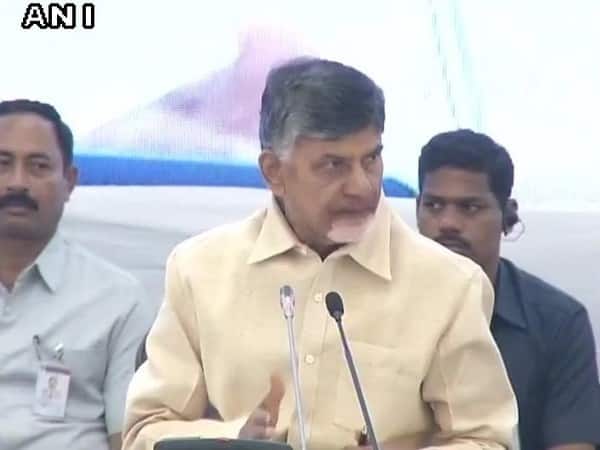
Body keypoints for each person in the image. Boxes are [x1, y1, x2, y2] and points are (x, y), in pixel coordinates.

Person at [123, 58, 517, 450]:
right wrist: (234, 440)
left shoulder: (449, 284)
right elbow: (145, 431)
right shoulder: (200, 269)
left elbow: (487, 440)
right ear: (274, 171)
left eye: (371, 159)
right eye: (333, 165)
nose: (361, 186)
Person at [416, 129, 600, 450]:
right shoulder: (375, 304)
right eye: (434, 205)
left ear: (507, 215)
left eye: (469, 207)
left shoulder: (558, 323)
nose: (448, 223)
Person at [0, 99, 155, 450]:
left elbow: (130, 439)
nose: (17, 183)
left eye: (38, 166)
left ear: (69, 182)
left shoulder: (118, 299)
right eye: (2, 164)